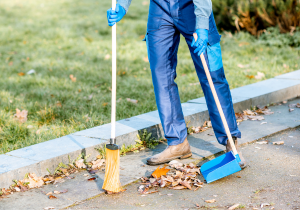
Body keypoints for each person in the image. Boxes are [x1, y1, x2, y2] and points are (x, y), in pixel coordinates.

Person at [107, 0, 247, 168]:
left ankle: (230, 141)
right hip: (160, 8)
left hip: (192, 6)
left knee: (213, 74)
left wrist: (202, 24)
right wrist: (122, 5)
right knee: (161, 73)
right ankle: (177, 142)